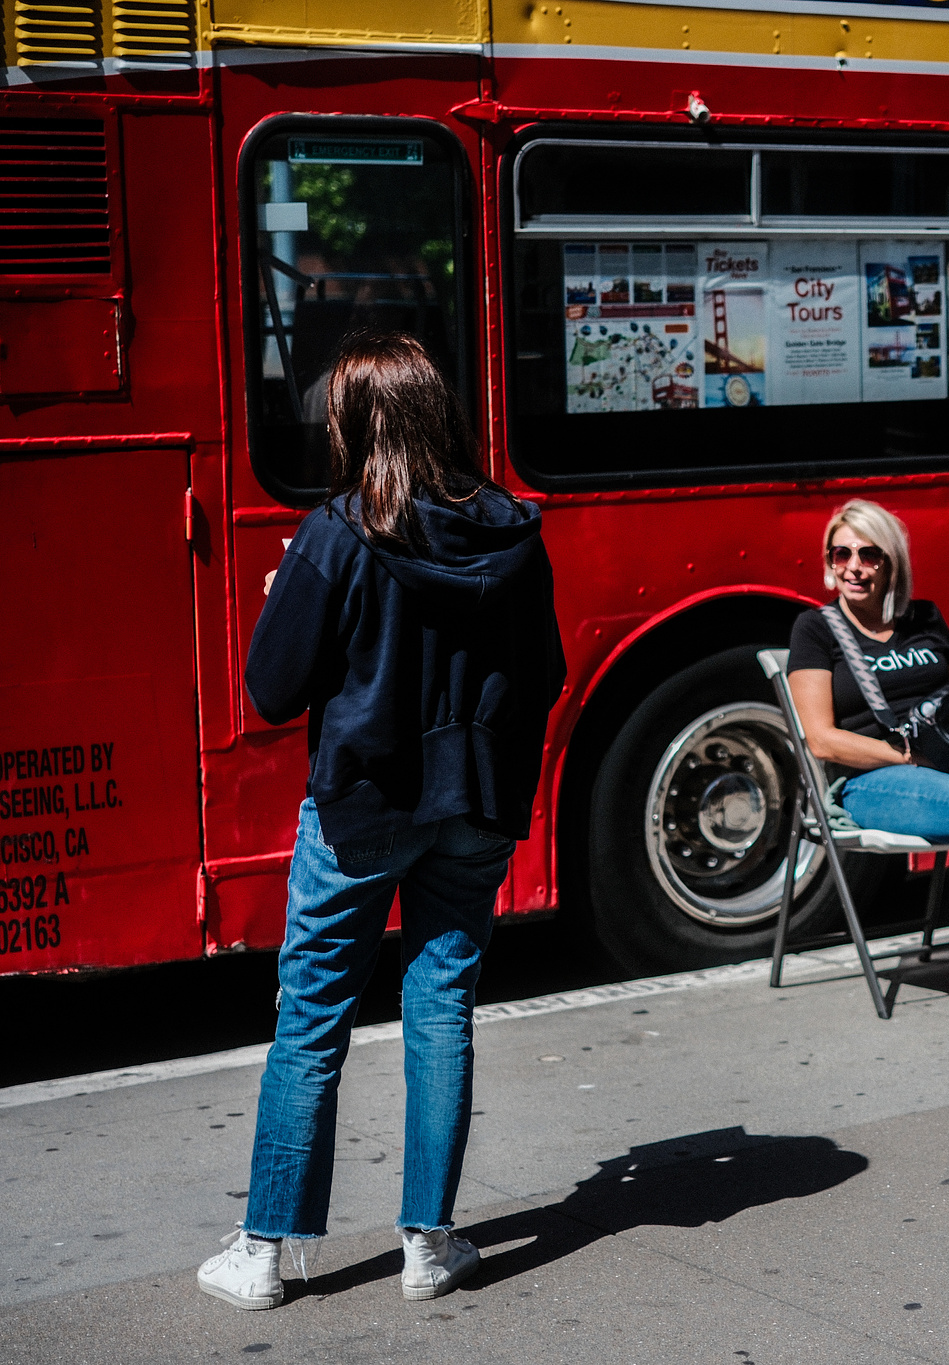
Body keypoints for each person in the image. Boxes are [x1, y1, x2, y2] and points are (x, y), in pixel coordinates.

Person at [198, 333, 567, 1310]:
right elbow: (548, 676)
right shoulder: (514, 532)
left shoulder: (335, 536)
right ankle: (428, 1244)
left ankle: (265, 1251)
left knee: (311, 1021)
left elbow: (272, 690)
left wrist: (287, 599)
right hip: (475, 803)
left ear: (356, 425)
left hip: (362, 807)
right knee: (440, 1008)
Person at [786, 499, 949, 1039]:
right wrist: (902, 755)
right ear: (829, 561)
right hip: (870, 781)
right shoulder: (816, 630)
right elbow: (821, 740)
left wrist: (946, 750)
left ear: (892, 564)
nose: (853, 567)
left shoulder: (925, 617)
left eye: (868, 554)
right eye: (841, 554)